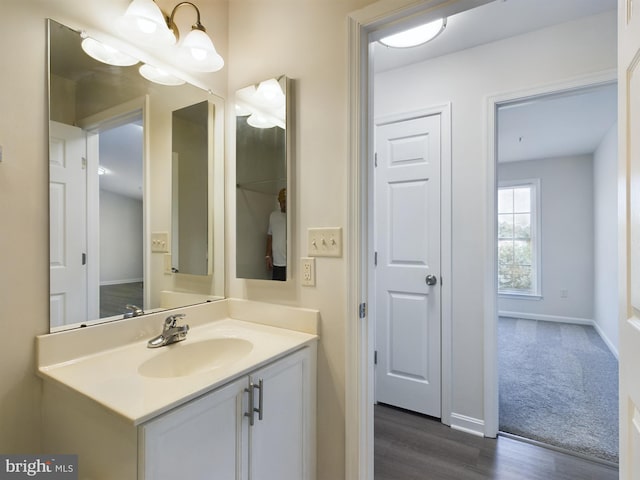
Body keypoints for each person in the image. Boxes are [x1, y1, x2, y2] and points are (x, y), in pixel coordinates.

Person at [265, 188, 287, 280]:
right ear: (279, 201)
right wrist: (268, 255)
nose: (285, 204)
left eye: (287, 201)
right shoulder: (273, 216)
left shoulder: (295, 217)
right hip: (277, 262)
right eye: (283, 201)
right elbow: (270, 236)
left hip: (292, 264)